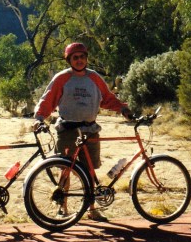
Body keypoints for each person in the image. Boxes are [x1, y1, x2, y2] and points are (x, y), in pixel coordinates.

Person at [33, 42, 134, 221]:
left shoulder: (94, 78)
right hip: (68, 130)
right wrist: (40, 117)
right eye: (75, 57)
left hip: (90, 129)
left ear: (86, 58)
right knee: (65, 169)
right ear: (69, 60)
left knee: (88, 171)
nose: (79, 60)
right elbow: (48, 99)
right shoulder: (62, 78)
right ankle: (62, 208)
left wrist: (123, 109)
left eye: (82, 57)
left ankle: (92, 209)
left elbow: (107, 98)